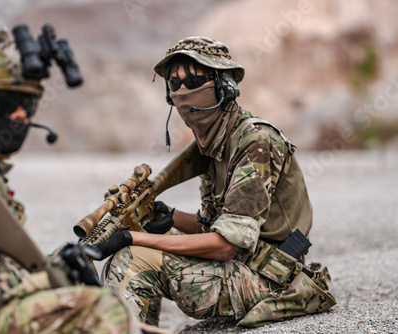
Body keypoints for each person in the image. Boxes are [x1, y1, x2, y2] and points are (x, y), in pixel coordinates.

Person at [0, 19, 145, 333]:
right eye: (9, 103)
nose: (21, 115)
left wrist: (55, 266)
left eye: (28, 104)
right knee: (100, 310)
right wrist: (50, 276)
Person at [95, 36, 337, 328]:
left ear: (224, 87)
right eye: (174, 84)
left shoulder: (255, 142)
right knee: (133, 252)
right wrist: (170, 216)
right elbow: (217, 227)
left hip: (270, 280)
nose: (183, 91)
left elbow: (225, 246)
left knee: (131, 259)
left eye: (195, 80)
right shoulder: (213, 145)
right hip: (244, 261)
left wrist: (131, 237)